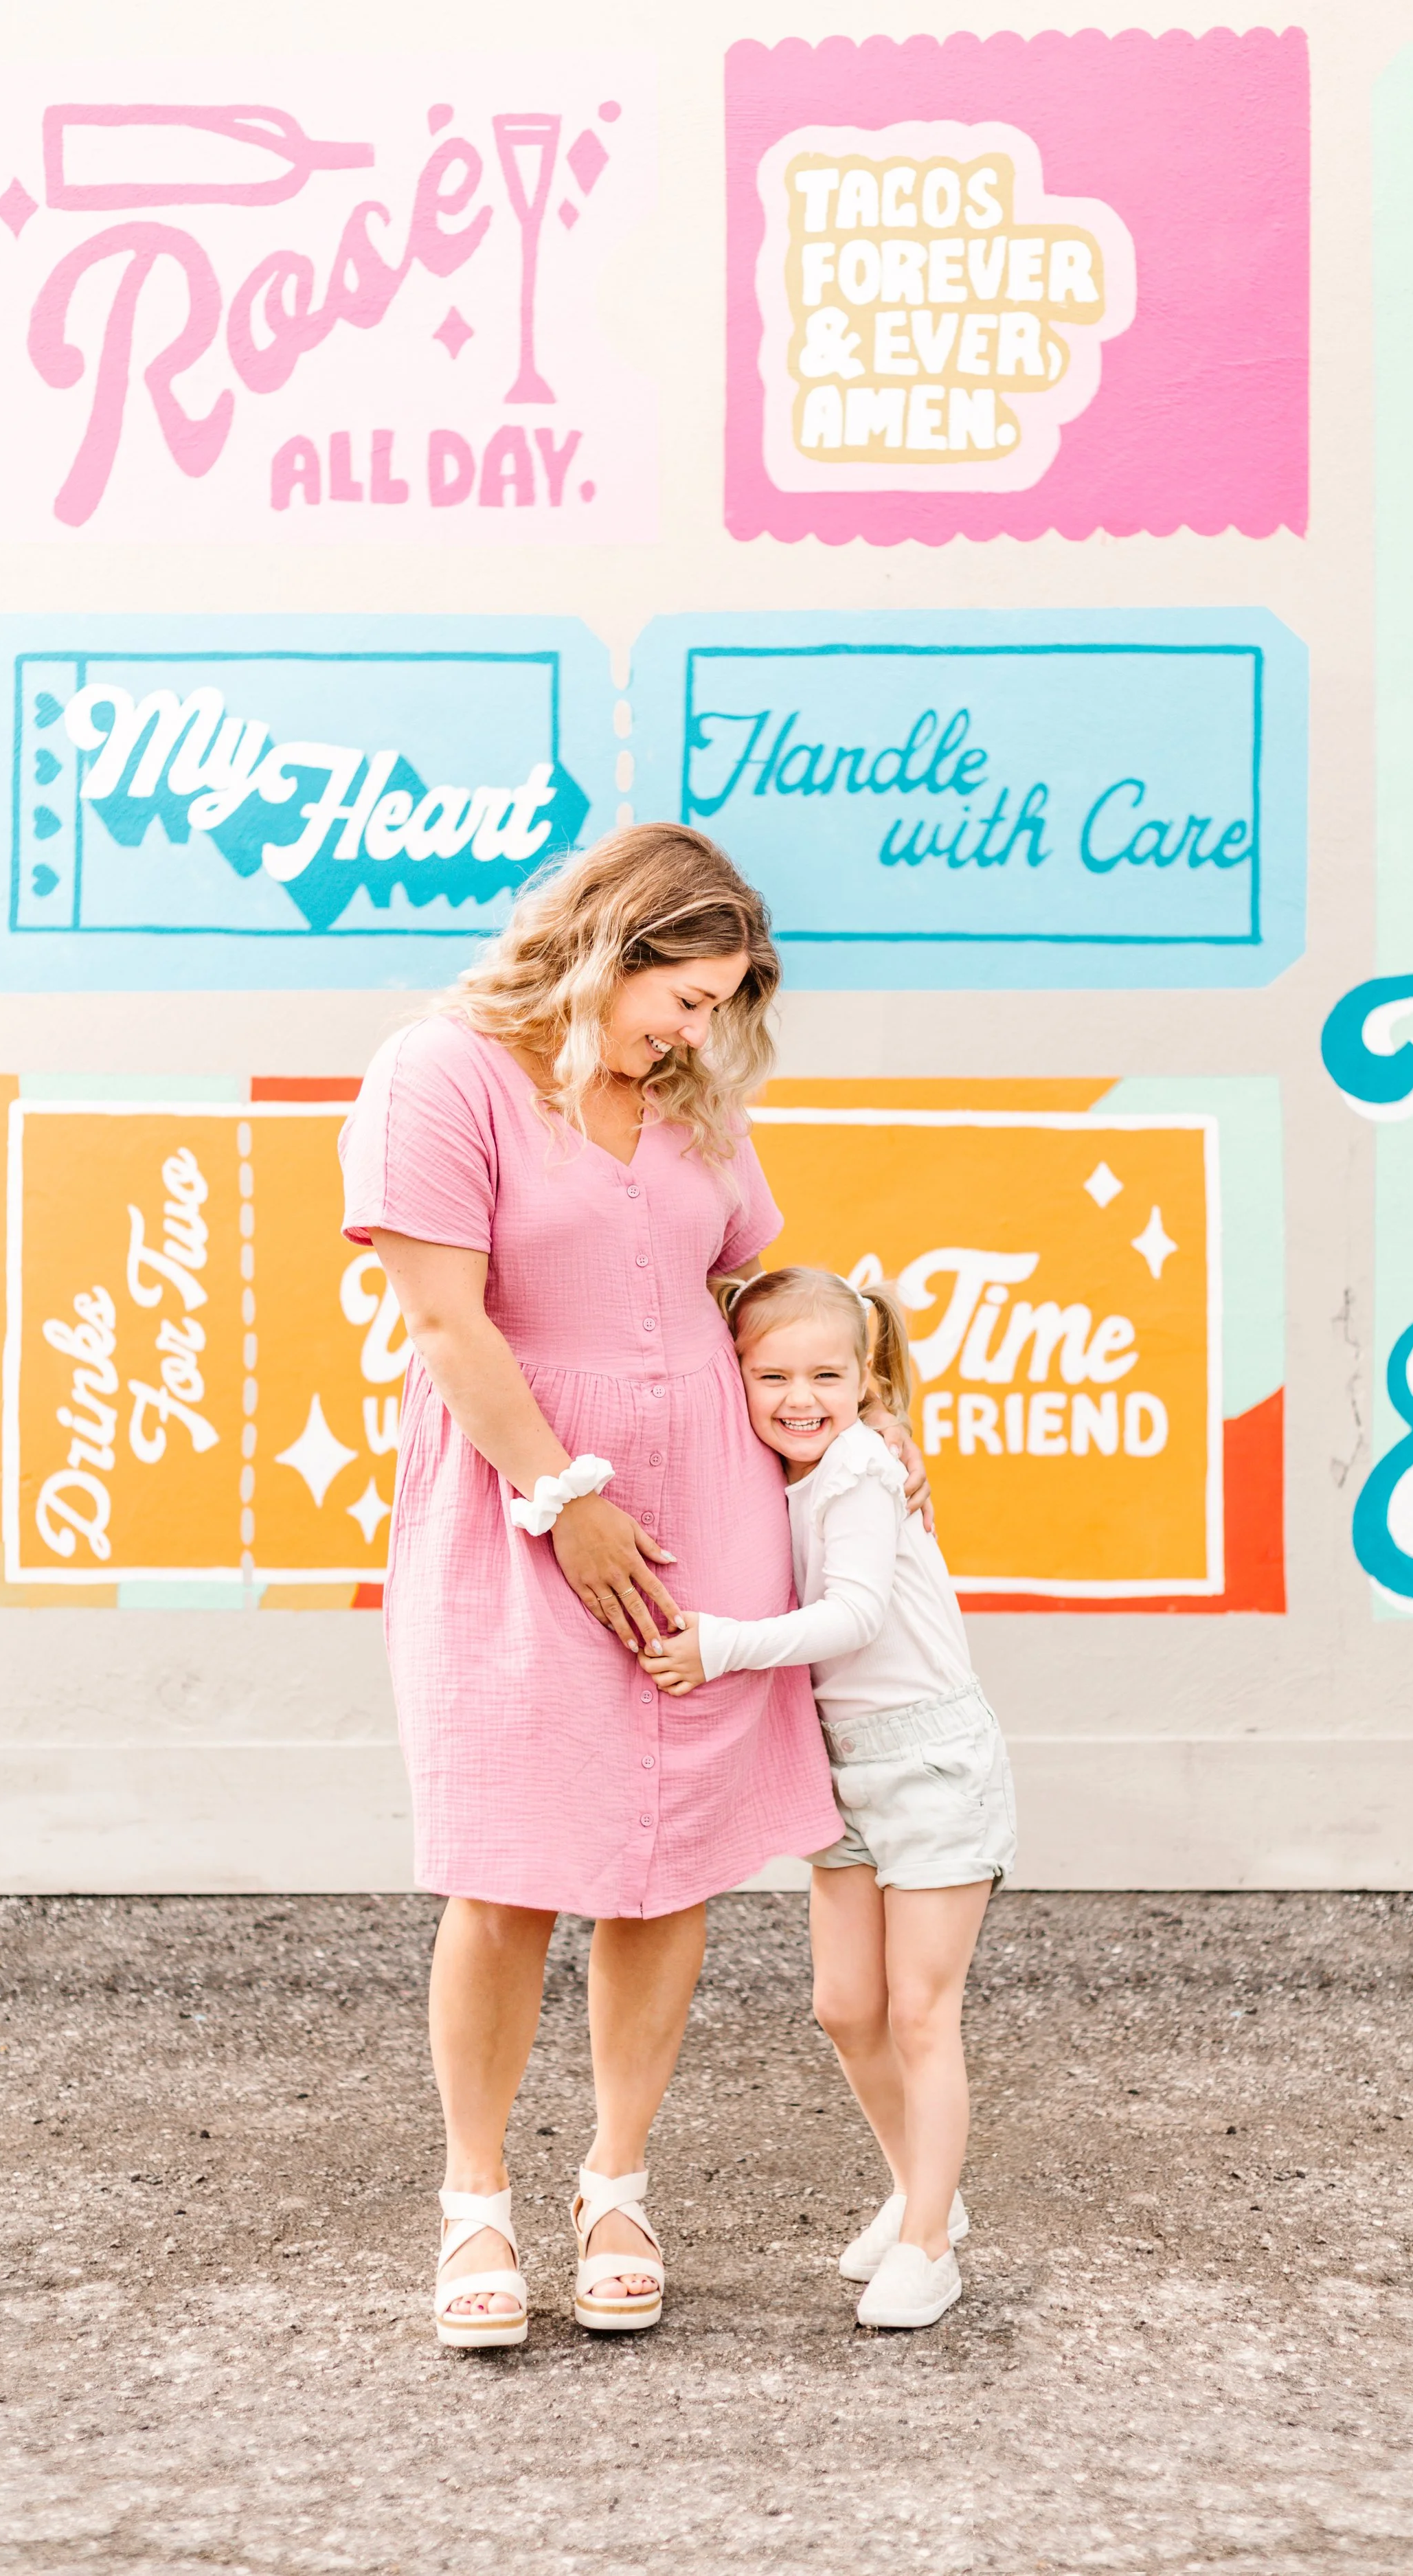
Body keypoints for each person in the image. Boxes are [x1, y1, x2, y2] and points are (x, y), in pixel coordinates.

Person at [337, 830, 923, 2349]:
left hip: (707, 1519)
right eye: (686, 995)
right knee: (509, 1860)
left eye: (723, 1005)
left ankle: (615, 2184)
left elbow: (732, 1300)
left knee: (667, 1860)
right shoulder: (441, 1072)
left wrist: (854, 1430)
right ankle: (475, 2202)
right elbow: (448, 1326)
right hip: (518, 1509)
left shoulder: (688, 1103)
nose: (698, 1030)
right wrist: (565, 1501)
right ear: (614, 948)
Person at [640, 1265, 1016, 2331]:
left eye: (828, 1374)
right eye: (773, 1374)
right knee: (845, 2005)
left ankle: (930, 2241)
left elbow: (852, 1616)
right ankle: (921, 2188)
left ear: (866, 1376)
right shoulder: (778, 1467)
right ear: (735, 1377)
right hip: (839, 1760)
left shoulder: (856, 1464)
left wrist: (720, 1648)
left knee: (919, 2009)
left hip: (931, 1760)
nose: (801, 1396)